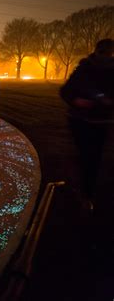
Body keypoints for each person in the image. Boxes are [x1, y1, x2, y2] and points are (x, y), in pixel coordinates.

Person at [60, 38, 114, 212]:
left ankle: (87, 193)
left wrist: (107, 102)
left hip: (101, 122)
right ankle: (82, 188)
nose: (105, 56)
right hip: (80, 120)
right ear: (96, 51)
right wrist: (77, 100)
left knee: (94, 159)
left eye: (108, 53)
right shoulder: (84, 68)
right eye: (102, 52)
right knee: (84, 156)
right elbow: (66, 91)